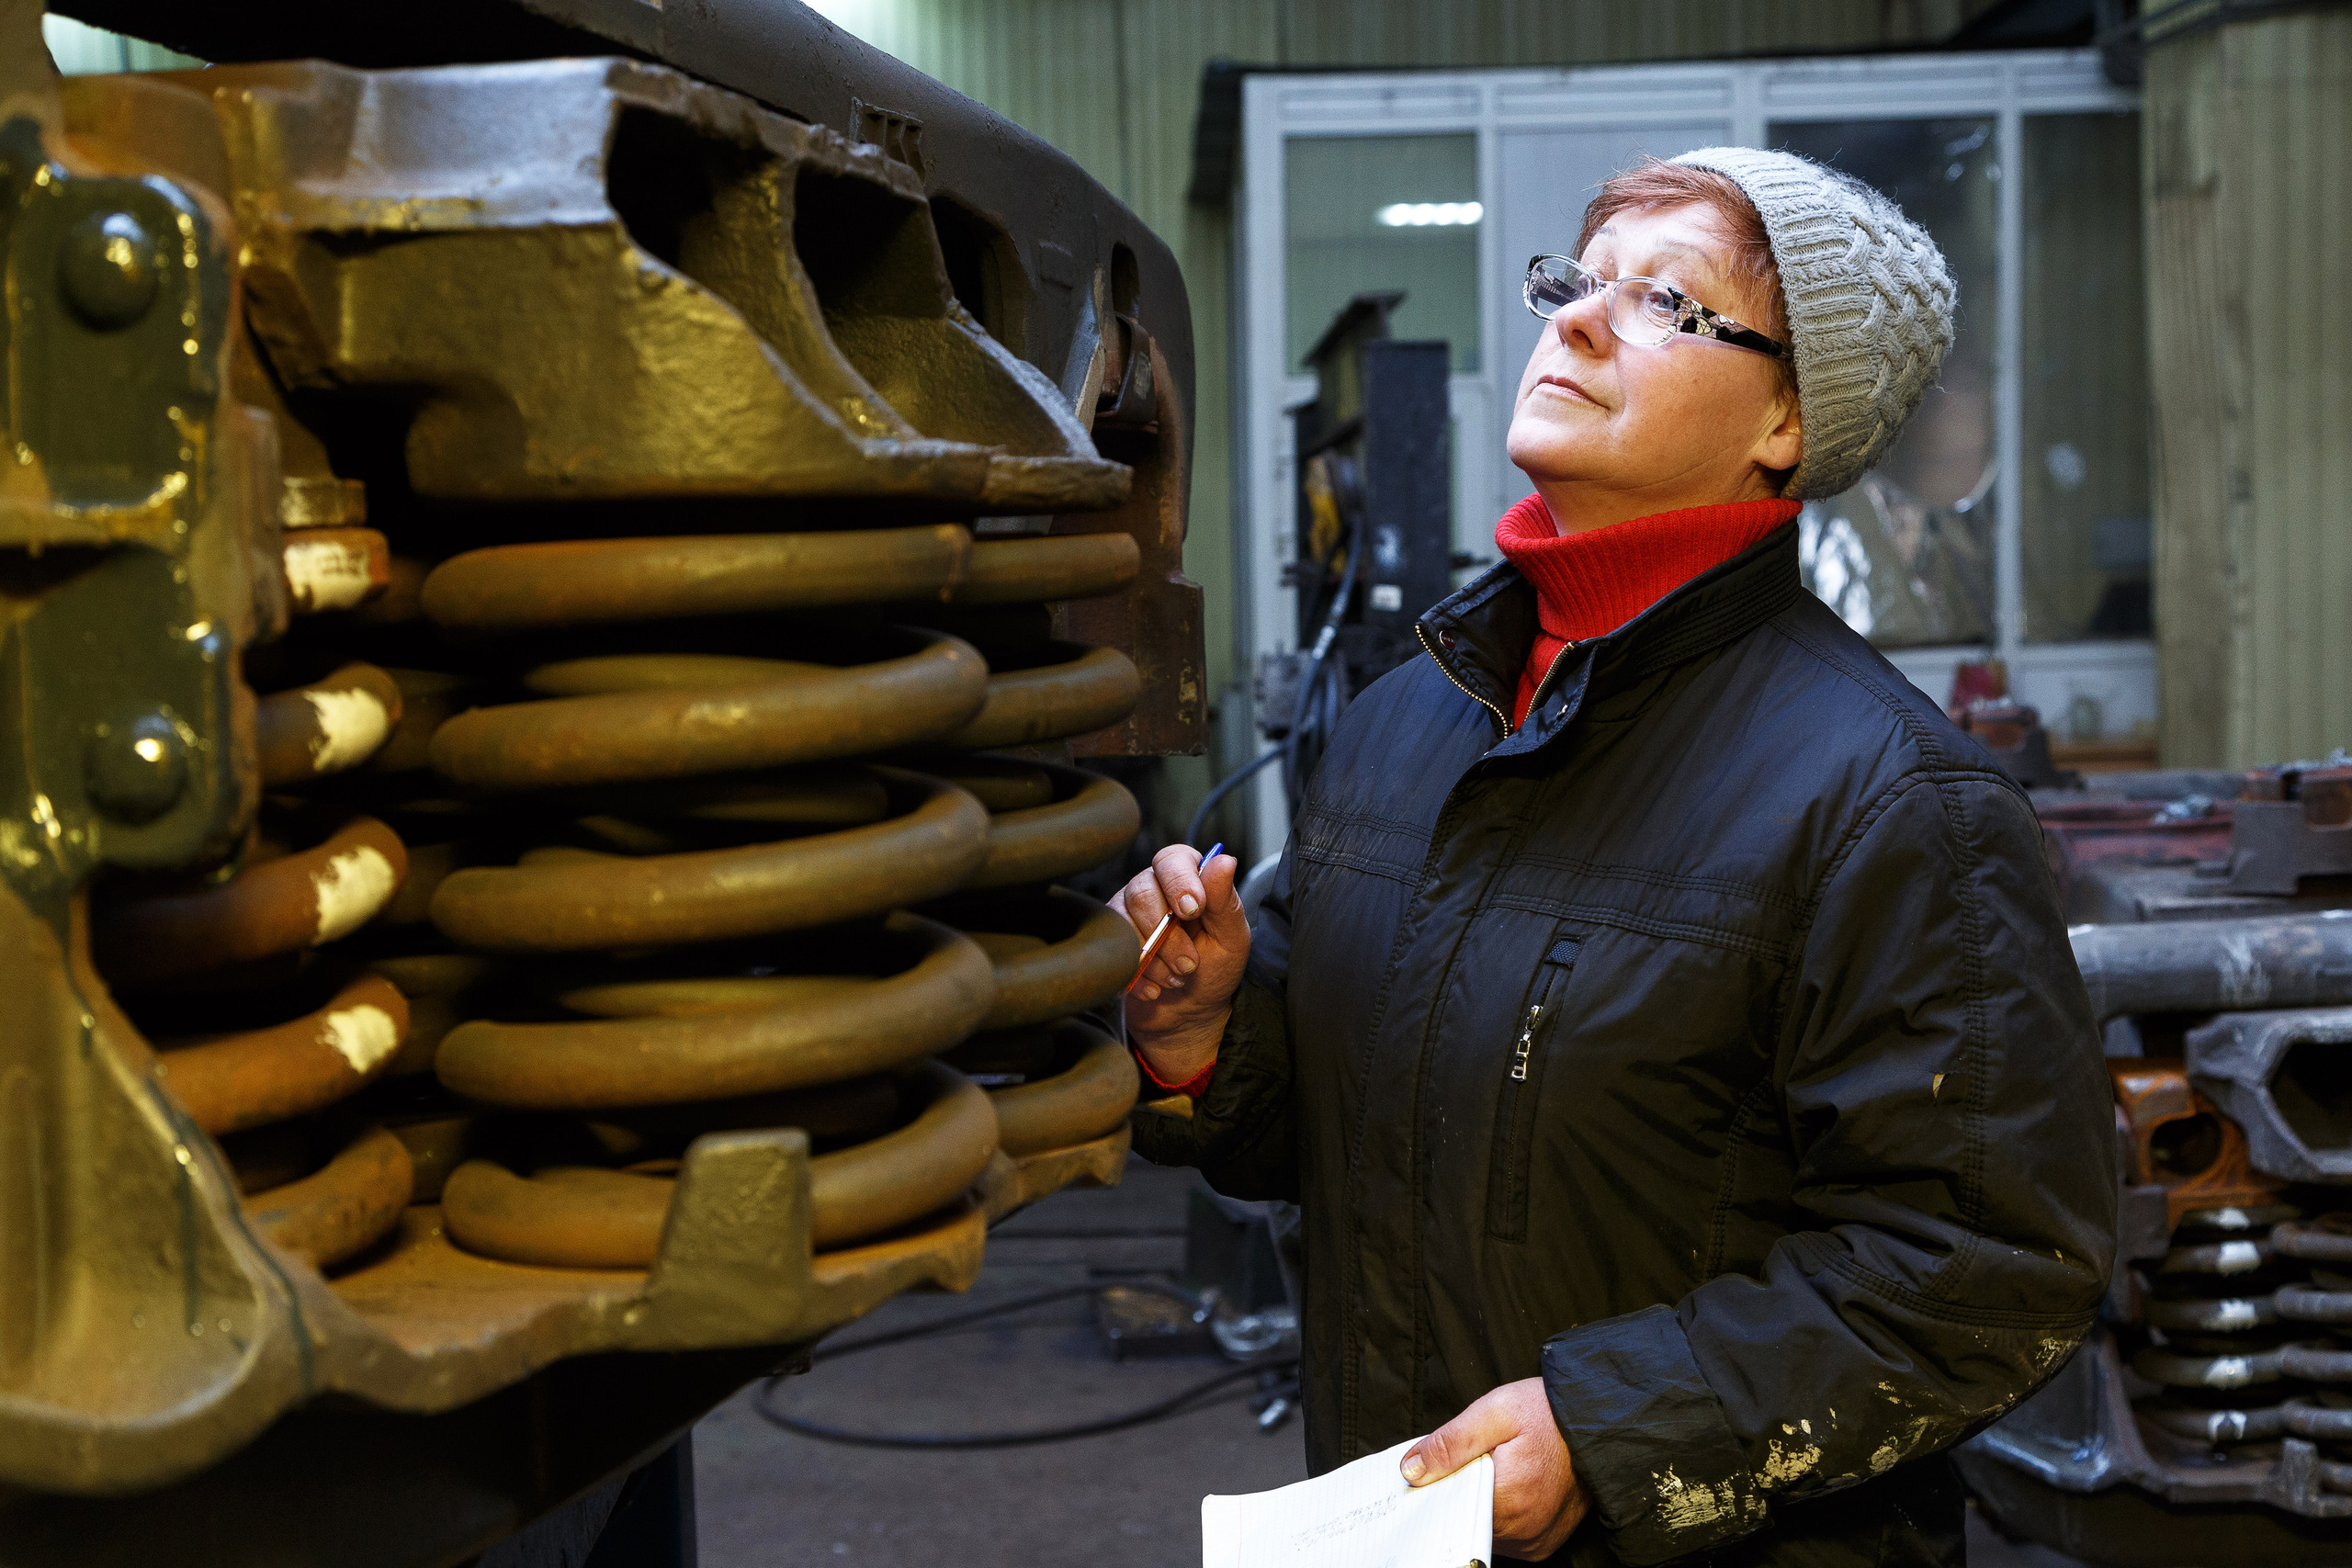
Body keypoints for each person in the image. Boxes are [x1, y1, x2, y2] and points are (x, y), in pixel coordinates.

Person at [1115, 148, 2116, 1566]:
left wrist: (1608, 1432)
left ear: (1786, 415)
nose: (1576, 318)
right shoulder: (1411, 718)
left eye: (1663, 298)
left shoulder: (1897, 800)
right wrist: (1206, 1035)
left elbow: (1984, 1269)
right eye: (1576, 279)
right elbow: (1339, 1135)